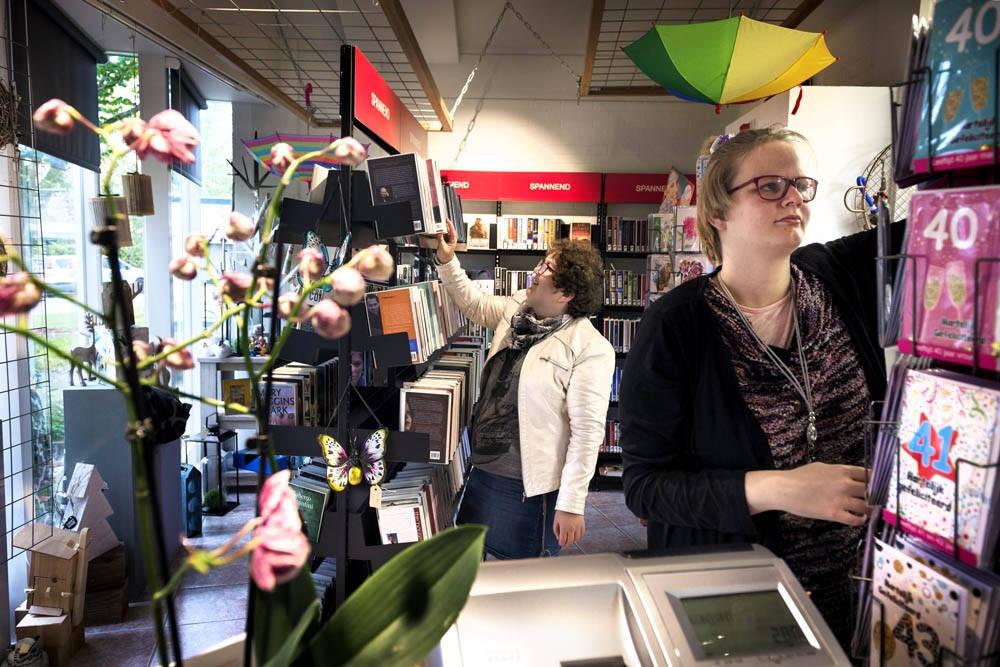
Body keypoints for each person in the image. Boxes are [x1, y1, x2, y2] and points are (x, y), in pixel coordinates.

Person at [620, 127, 903, 647]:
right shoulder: (677, 324)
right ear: (717, 213)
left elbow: (942, 219)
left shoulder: (835, 277)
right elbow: (644, 485)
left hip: (863, 588)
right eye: (770, 186)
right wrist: (777, 489)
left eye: (800, 184)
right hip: (743, 602)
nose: (793, 198)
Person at [435, 219, 615, 558]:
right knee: (474, 566)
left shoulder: (589, 347)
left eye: (546, 267)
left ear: (565, 293)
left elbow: (587, 432)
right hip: (481, 470)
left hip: (525, 490)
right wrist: (447, 260)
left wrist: (572, 503)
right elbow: (474, 304)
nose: (535, 269)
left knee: (520, 579)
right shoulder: (519, 308)